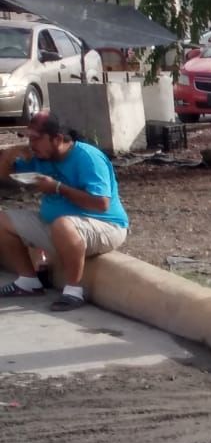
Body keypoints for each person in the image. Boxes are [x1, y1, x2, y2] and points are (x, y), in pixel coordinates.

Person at [0, 111, 129, 311]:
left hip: (105, 226)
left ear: (57, 139)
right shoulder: (41, 156)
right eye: (29, 139)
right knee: (2, 220)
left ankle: (74, 291)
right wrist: (8, 157)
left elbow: (101, 203)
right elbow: (6, 179)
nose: (31, 144)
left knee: (63, 224)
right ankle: (28, 281)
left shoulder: (88, 157)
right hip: (56, 226)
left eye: (36, 139)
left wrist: (58, 188)